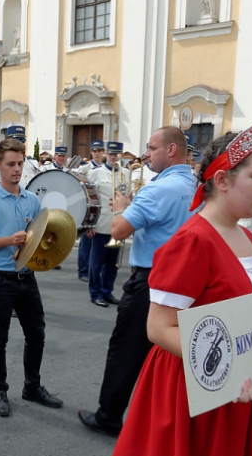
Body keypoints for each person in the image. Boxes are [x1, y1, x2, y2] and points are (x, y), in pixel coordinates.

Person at [111, 121, 252, 456]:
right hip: (203, 392)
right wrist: (227, 368)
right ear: (222, 180)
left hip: (251, 388)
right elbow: (159, 329)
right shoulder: (193, 240)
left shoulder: (241, 232)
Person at [78, 126, 195, 437]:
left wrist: (121, 208)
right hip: (187, 283)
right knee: (168, 358)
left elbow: (118, 230)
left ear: (171, 150)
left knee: (126, 351)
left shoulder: (158, 190)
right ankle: (165, 424)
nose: (146, 153)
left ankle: (109, 417)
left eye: (152, 148)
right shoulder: (195, 184)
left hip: (152, 281)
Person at [0, 138, 62, 418]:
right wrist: (8, 241)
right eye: (10, 164)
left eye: (20, 163)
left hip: (26, 276)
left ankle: (31, 386)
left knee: (36, 334)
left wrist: (39, 243)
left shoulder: (32, 200)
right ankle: (0, 390)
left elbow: (37, 239)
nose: (16, 169)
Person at [86, 142, 129, 307]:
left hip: (118, 224)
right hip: (101, 223)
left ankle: (107, 291)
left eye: (116, 154)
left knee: (112, 263)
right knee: (96, 263)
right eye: (111, 154)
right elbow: (89, 199)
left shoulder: (125, 173)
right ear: (106, 155)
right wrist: (90, 223)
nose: (113, 157)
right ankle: (95, 293)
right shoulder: (96, 173)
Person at [77, 140, 105, 282]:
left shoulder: (106, 170)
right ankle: (83, 270)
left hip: (103, 209)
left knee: (100, 242)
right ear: (91, 152)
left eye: (100, 151)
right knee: (86, 241)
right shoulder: (84, 169)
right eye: (95, 151)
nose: (97, 153)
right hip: (88, 207)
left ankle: (95, 270)